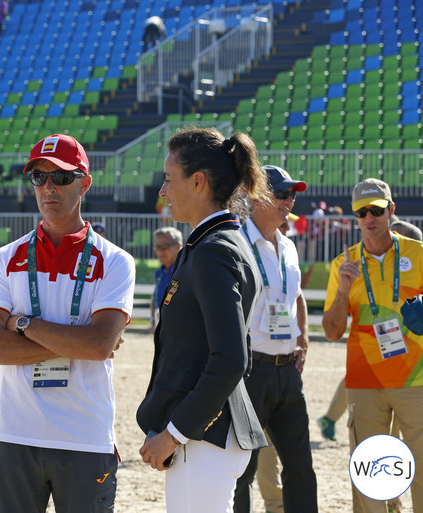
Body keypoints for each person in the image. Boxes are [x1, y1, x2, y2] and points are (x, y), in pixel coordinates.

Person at [0, 133, 135, 513]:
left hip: (84, 438)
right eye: (39, 177)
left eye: (62, 177)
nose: (49, 187)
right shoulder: (2, 259)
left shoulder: (115, 262)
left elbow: (98, 346)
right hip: (12, 434)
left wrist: (23, 323)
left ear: (85, 183)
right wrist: (78, 341)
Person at [137, 128, 268, 512]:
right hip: (206, 435)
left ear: (198, 182)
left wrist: (174, 433)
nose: (163, 191)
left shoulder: (212, 250)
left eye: (167, 179)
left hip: (203, 439)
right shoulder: (213, 242)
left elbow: (229, 358)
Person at [323, 178, 423, 513]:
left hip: (416, 381)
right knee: (372, 474)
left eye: (376, 210)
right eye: (362, 212)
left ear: (391, 211)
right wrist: (341, 292)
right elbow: (333, 332)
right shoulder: (343, 264)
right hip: (366, 384)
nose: (370, 217)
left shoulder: (418, 254)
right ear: (355, 216)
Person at [232, 165, 317, 513]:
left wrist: (304, 340)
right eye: (281, 193)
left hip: (287, 373)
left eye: (292, 194)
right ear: (256, 196)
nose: (289, 200)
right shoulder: (235, 243)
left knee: (301, 468)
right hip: (251, 371)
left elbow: (296, 297)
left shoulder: (289, 247)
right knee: (243, 471)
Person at [150, 226, 182, 333]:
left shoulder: (183, 271)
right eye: (157, 247)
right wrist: (153, 320)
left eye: (164, 246)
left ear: (178, 246)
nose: (160, 251)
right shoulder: (161, 271)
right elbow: (154, 299)